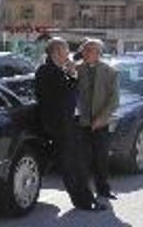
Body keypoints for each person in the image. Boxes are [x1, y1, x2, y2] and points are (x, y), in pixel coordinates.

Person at [34, 37, 106, 212]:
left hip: (68, 124)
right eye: (66, 50)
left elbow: (70, 91)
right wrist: (73, 74)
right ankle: (84, 201)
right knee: (71, 166)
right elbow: (66, 94)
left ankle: (85, 198)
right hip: (60, 126)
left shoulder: (58, 70)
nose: (68, 54)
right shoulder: (47, 71)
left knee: (77, 164)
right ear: (56, 52)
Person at [76, 38, 119, 201]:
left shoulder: (109, 72)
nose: (86, 53)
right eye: (84, 50)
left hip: (100, 122)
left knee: (101, 156)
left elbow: (114, 100)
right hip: (80, 121)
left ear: (98, 53)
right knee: (81, 158)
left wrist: (101, 118)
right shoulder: (76, 69)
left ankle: (103, 189)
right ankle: (83, 190)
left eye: (90, 50)